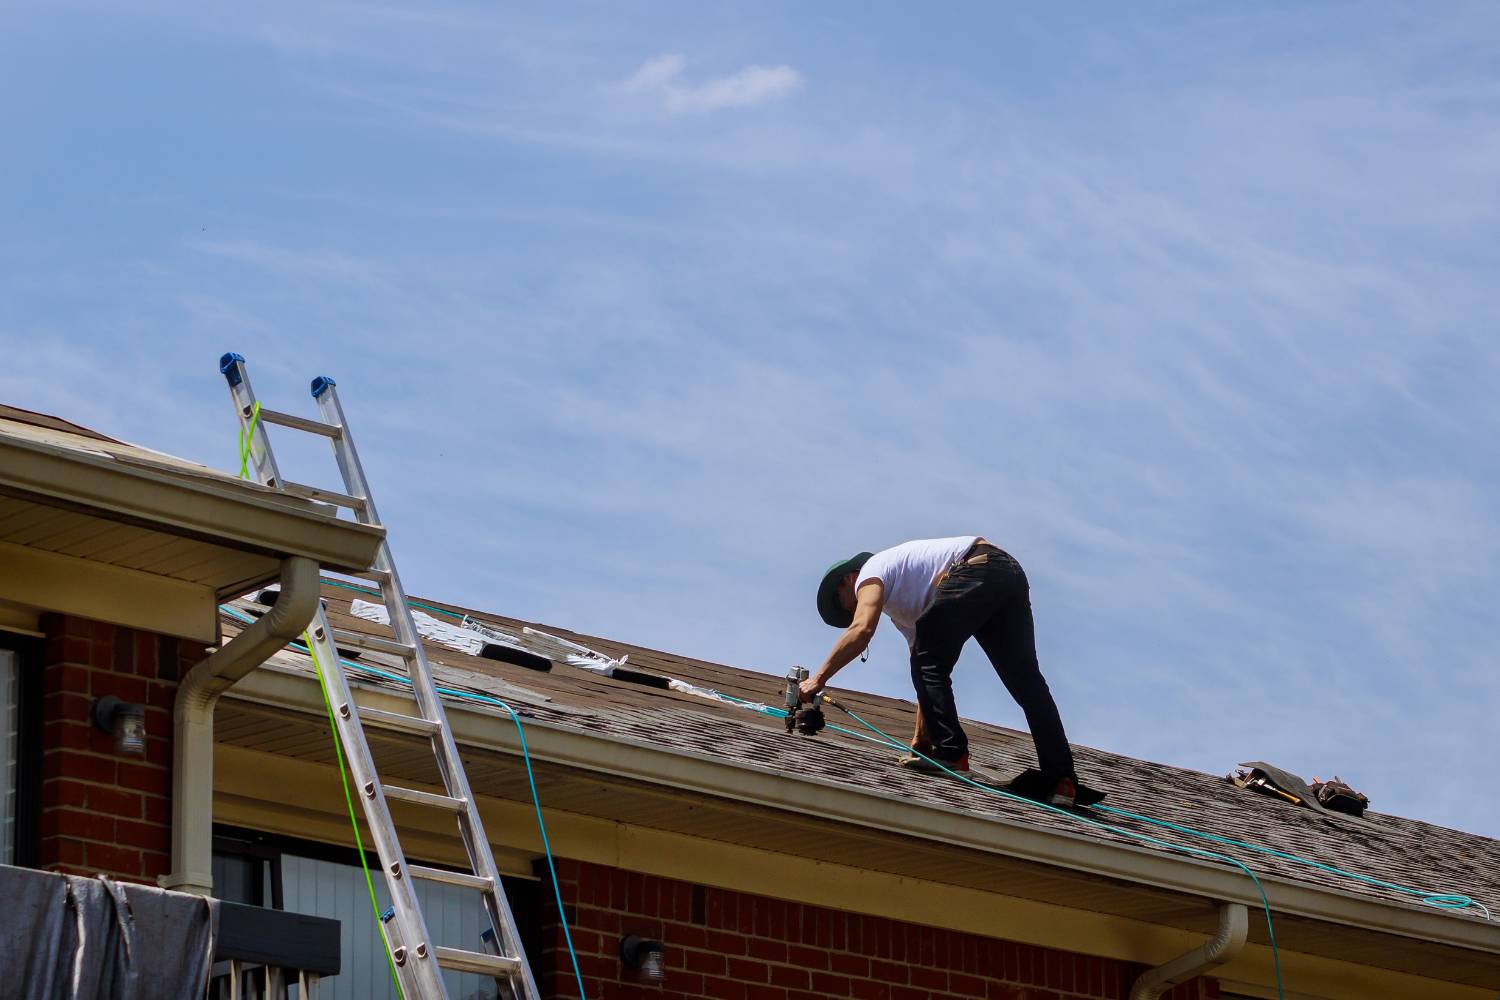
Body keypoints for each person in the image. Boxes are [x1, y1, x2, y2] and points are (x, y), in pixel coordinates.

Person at [804, 536, 1078, 805]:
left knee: (930, 661)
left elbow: (862, 630)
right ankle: (1061, 779)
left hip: (976, 566)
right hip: (1007, 574)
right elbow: (926, 674)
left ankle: (951, 751)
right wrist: (920, 743)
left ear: (848, 579)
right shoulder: (908, 607)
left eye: (844, 603)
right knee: (1027, 683)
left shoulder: (870, 572)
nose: (852, 610)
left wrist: (818, 679)